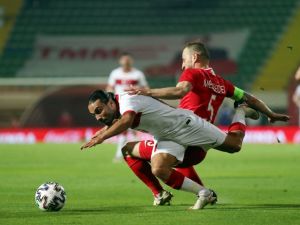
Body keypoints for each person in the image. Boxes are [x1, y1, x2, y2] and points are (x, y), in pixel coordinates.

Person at [123, 41, 290, 206]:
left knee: (130, 151)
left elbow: (180, 91)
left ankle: (159, 193)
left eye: (183, 59)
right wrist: (271, 114)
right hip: (201, 145)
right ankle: (203, 192)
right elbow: (251, 98)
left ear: (195, 57)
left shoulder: (192, 74)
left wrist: (148, 92)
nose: (182, 65)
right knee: (178, 159)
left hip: (183, 131)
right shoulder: (222, 83)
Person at [81, 90, 262, 209]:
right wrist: (101, 132)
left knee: (234, 145)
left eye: (99, 110)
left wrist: (102, 137)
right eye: (94, 114)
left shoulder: (128, 99)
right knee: (156, 166)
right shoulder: (117, 109)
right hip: (167, 138)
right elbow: (117, 121)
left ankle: (241, 110)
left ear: (111, 103)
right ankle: (198, 193)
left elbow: (126, 121)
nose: (98, 117)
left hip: (186, 125)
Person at [106, 52, 149, 162]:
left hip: (134, 104)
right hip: (119, 104)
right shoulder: (115, 73)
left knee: (132, 128)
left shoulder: (137, 74)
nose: (126, 62)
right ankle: (123, 154)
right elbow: (110, 87)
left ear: (131, 61)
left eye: (128, 60)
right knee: (124, 128)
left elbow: (145, 88)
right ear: (120, 61)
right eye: (124, 60)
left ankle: (131, 153)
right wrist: (109, 101)